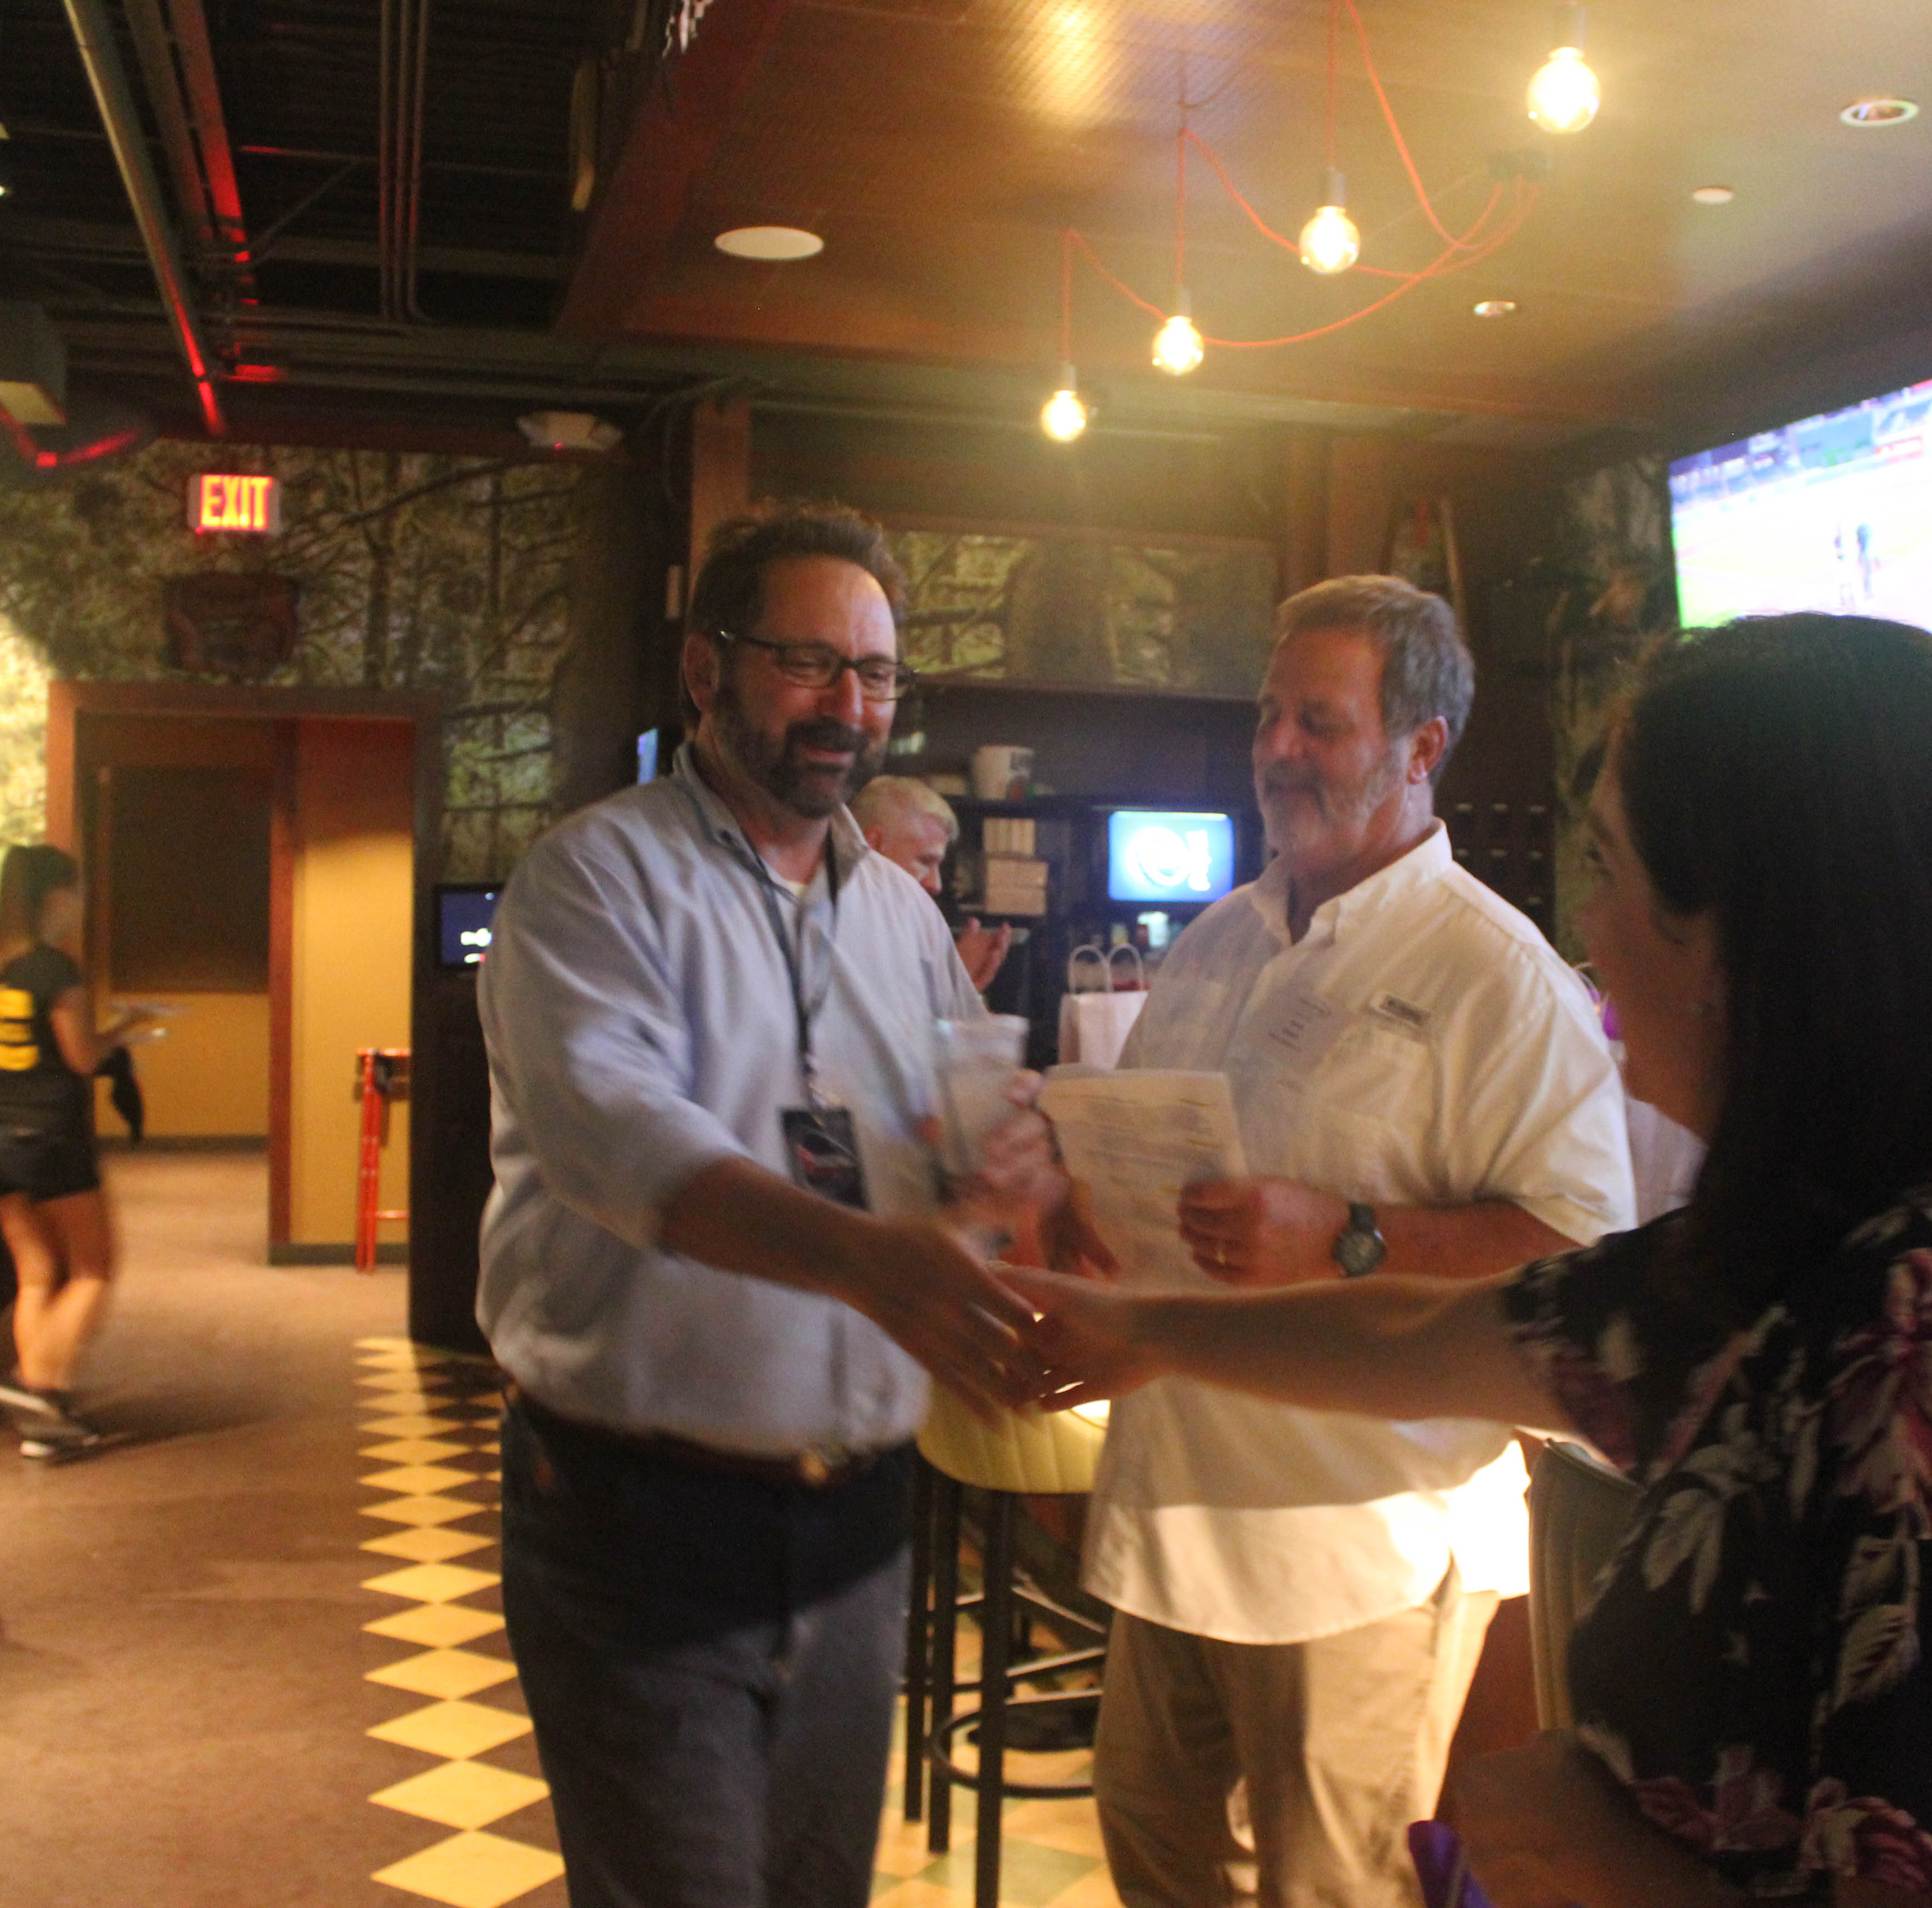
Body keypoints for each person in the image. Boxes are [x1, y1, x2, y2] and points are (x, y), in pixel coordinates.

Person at [1018, 614, 1932, 1908]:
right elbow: (1429, 1337)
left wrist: (1592, 1858)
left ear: (1759, 944)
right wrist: (1143, 1328)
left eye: (1608, 868)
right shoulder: (1801, 1268)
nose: (1587, 934)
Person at [476, 500, 1073, 1908]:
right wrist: (874, 1262)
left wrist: (1014, 1167)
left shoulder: (902, 919)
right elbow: (621, 1141)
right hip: (641, 1523)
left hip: (860, 1524)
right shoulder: (595, 878)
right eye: (808, 664)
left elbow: (958, 1136)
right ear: (706, 668)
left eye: (874, 675)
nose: (847, 706)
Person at [1064, 574, 1636, 1908]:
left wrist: (1353, 1238)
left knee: (1330, 1887)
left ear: (1420, 747)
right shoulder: (1218, 939)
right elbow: (1149, 1176)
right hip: (1174, 1505)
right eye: (1269, 714)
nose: (1275, 748)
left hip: (1356, 1541)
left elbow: (1584, 1257)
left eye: (1318, 722)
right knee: (1150, 1837)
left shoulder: (1497, 976)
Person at [0, 843, 150, 1459]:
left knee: (37, 1273)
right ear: (54, 897)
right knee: (94, 1269)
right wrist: (125, 1030)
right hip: (48, 1136)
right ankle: (35, 1385)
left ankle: (41, 1423)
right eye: (75, 892)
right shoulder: (55, 970)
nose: (80, 904)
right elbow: (82, 1057)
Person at [852, 772, 1011, 990]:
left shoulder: (910, 934)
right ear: (875, 845)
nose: (936, 885)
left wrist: (962, 992)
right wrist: (950, 985)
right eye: (925, 862)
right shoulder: (837, 927)